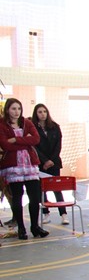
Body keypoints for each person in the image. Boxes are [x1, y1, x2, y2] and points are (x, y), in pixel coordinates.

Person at [0, 98, 46, 239]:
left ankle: (35, 226)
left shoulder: (27, 122)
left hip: (29, 164)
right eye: (13, 109)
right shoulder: (2, 125)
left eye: (19, 108)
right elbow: (5, 144)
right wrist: (26, 141)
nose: (16, 112)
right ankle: (21, 227)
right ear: (7, 110)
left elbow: (36, 139)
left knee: (35, 197)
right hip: (14, 166)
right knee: (17, 197)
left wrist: (15, 140)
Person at [31, 103, 68, 225]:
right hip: (41, 164)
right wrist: (44, 161)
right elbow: (34, 147)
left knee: (57, 189)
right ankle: (45, 213)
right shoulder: (33, 129)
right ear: (36, 114)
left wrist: (52, 160)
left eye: (44, 111)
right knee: (42, 189)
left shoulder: (55, 127)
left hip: (54, 162)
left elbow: (58, 145)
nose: (43, 114)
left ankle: (63, 214)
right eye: (40, 112)